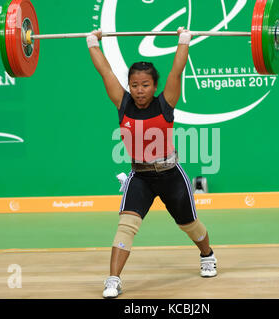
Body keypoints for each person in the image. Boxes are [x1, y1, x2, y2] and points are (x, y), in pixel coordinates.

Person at [87, 27, 217, 299]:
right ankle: (113, 280)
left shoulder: (165, 103)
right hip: (140, 177)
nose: (139, 90)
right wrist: (92, 43)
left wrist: (183, 40)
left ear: (154, 86)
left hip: (170, 174)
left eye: (145, 85)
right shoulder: (123, 104)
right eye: (134, 85)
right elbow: (106, 73)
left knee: (189, 224)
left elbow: (176, 72)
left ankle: (207, 255)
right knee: (126, 225)